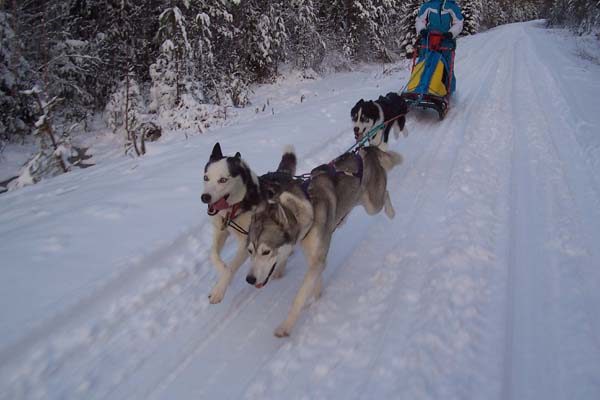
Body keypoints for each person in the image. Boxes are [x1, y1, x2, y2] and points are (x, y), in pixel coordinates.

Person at [414, 0, 464, 93]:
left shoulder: (451, 6)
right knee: (424, 62)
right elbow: (420, 20)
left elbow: (459, 23)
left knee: (447, 65)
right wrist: (422, 30)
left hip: (446, 40)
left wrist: (451, 33)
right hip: (429, 39)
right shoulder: (428, 5)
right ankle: (418, 87)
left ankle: (446, 90)